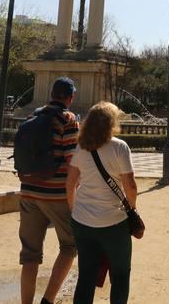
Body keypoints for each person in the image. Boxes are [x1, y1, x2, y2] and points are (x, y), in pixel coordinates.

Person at [66, 102, 137, 304]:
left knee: (86, 274)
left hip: (82, 221)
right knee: (121, 273)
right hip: (113, 222)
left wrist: (74, 211)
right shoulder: (119, 147)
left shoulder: (81, 148)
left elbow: (70, 183)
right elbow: (130, 186)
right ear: (111, 123)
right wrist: (131, 209)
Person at [18, 76, 79, 304]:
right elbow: (73, 163)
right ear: (71, 98)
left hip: (28, 192)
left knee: (30, 255)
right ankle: (48, 300)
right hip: (56, 195)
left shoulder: (32, 116)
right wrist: (74, 197)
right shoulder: (69, 120)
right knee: (70, 245)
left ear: (51, 94)